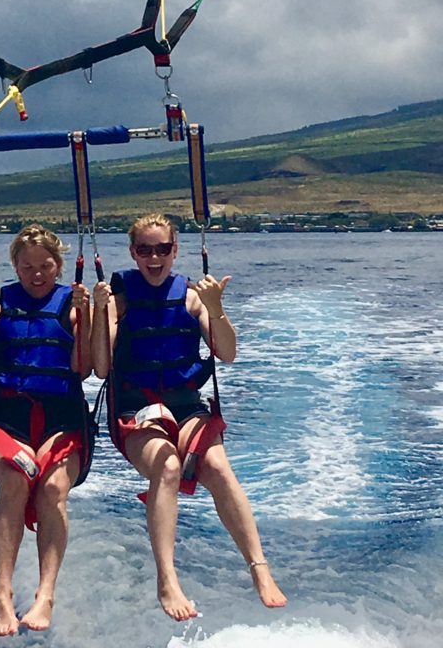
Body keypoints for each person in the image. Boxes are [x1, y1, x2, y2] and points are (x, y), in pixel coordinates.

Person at [91, 213, 286, 620]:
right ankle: (167, 579)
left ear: (175, 251)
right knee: (167, 466)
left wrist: (216, 310)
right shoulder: (118, 298)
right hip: (136, 404)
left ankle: (259, 568)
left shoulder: (193, 297)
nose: (154, 257)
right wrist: (100, 315)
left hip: (184, 402)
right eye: (145, 250)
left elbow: (227, 353)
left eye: (162, 249)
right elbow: (101, 368)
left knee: (217, 464)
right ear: (133, 253)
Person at [0, 224, 93, 636]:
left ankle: (45, 594)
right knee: (15, 484)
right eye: (27, 266)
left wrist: (88, 317)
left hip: (62, 416)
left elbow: (84, 369)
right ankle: (3, 594)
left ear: (59, 266)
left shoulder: (72, 306)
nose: (37, 274)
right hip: (10, 418)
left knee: (52, 490)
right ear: (15, 266)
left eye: (45, 266)